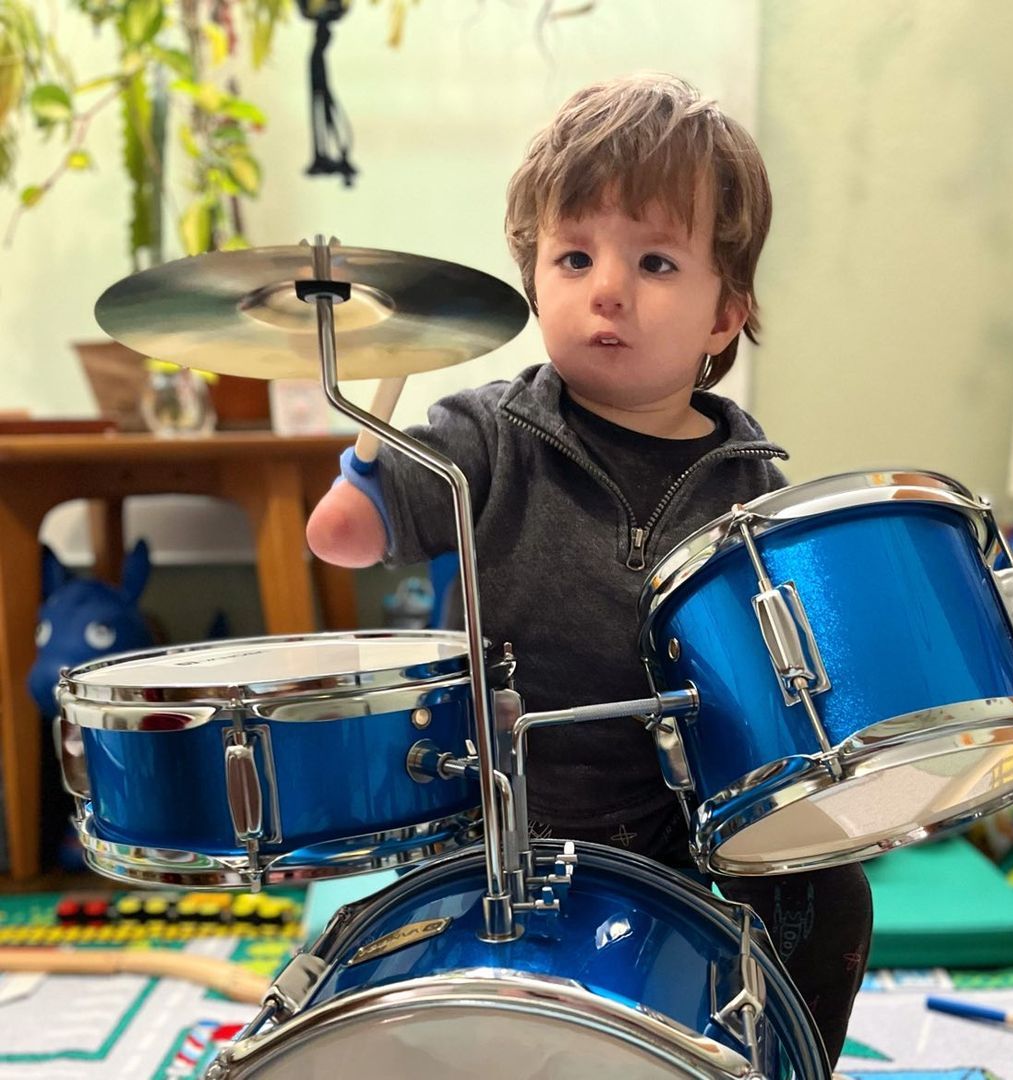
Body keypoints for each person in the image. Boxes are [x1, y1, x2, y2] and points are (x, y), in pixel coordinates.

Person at [306, 71, 872, 1067]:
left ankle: (783, 1058)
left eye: (654, 260)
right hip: (501, 810)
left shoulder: (746, 481)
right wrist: (358, 473)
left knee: (830, 898)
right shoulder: (483, 435)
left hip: (674, 820)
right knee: (393, 977)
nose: (605, 286)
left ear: (723, 316)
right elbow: (343, 537)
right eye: (574, 257)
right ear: (535, 281)